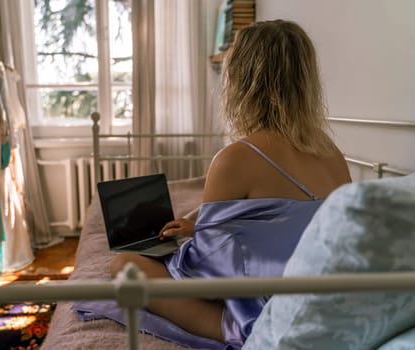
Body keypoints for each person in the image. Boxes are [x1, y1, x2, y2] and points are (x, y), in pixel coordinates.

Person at [109, 19, 352, 347]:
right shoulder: (330, 150)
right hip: (326, 296)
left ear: (241, 79)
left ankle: (230, 329)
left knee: (125, 265)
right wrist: (197, 222)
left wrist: (170, 251)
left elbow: (207, 269)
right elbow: (283, 224)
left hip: (271, 306)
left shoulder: (237, 157)